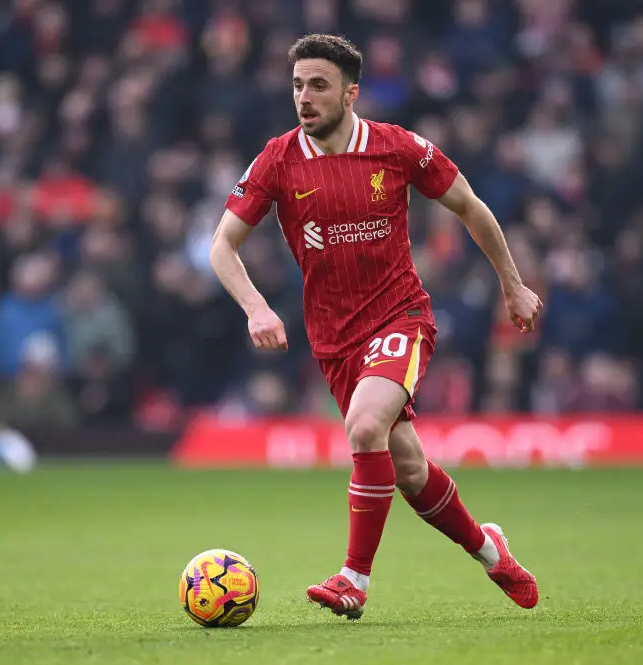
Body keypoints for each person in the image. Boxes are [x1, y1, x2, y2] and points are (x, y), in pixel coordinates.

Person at [209, 34, 543, 620]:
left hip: (400, 316)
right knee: (409, 469)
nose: (304, 98)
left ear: (351, 92)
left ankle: (353, 580)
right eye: (296, 86)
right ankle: (493, 553)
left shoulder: (396, 147)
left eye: (318, 85)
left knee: (365, 428)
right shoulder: (277, 160)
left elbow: (470, 206)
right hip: (333, 340)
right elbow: (222, 245)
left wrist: (512, 285)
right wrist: (255, 307)